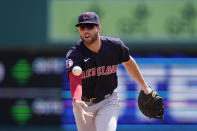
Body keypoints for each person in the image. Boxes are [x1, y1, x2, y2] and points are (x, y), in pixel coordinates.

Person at [66, 12, 152, 131]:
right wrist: (76, 99)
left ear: (99, 28)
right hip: (84, 104)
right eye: (82, 27)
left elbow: (128, 62)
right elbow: (75, 80)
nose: (86, 31)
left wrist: (144, 87)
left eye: (90, 27)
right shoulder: (75, 54)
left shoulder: (114, 46)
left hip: (108, 101)